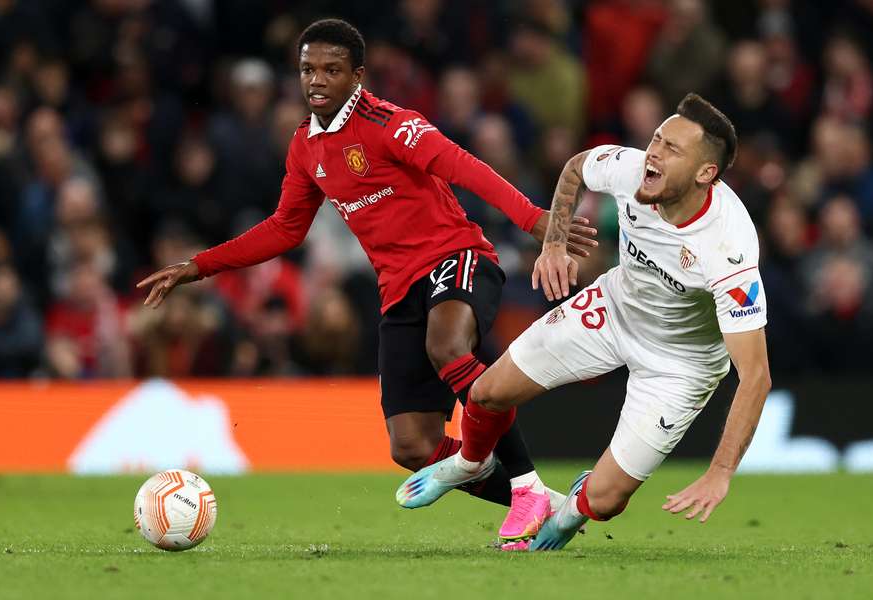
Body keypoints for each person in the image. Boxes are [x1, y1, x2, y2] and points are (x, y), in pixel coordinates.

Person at [136, 19, 597, 542]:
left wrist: (536, 219)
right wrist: (198, 265)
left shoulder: (389, 122)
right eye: (308, 69)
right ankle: (551, 504)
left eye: (332, 70)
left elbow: (462, 165)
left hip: (457, 256)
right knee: (413, 446)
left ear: (357, 76)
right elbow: (286, 229)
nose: (317, 80)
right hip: (398, 289)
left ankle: (527, 486)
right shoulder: (305, 147)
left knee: (447, 345)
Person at [397, 94, 772, 552]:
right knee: (487, 393)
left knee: (608, 499)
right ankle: (472, 461)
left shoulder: (729, 250)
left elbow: (755, 376)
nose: (653, 152)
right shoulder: (632, 168)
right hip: (613, 309)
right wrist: (554, 242)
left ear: (705, 173)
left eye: (672, 149)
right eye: (656, 139)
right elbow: (576, 167)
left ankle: (569, 511)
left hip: (679, 365)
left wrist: (719, 473)